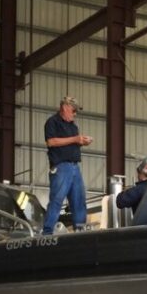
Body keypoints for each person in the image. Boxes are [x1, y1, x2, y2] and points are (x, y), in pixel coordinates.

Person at [42, 95, 93, 234]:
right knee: (57, 200)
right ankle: (47, 232)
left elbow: (70, 144)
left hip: (74, 166)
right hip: (61, 167)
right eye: (73, 110)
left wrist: (81, 141)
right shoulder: (52, 122)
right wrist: (75, 139)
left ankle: (80, 231)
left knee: (79, 201)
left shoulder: (73, 126)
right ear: (64, 108)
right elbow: (51, 142)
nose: (75, 114)